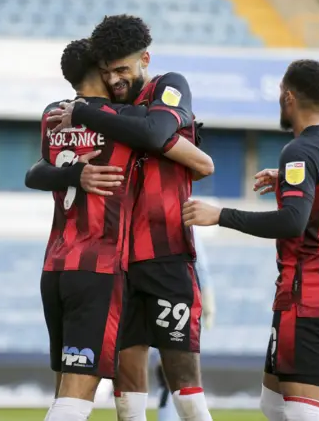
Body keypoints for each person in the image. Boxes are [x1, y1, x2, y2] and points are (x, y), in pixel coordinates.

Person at [28, 38, 213, 421]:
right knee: (94, 386)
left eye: (121, 70)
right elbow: (195, 160)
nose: (115, 78)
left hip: (121, 257)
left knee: (86, 383)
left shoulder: (60, 113)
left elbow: (34, 172)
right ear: (97, 70)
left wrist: (79, 136)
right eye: (108, 71)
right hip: (108, 264)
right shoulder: (118, 118)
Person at [182, 59, 319, 421]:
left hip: (311, 291)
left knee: (301, 414)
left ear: (288, 96)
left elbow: (291, 222)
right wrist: (296, 184)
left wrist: (220, 215)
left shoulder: (300, 150)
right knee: (272, 406)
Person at [156, 231, 216, 421]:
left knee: (175, 372)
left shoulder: (183, 213)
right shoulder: (181, 213)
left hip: (173, 291)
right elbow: (201, 264)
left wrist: (207, 298)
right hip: (172, 290)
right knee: (177, 372)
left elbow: (200, 263)